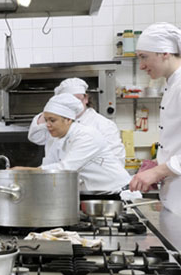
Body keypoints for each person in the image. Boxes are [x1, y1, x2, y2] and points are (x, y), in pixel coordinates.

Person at [14, 93, 130, 192]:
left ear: (68, 119)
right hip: (95, 193)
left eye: (52, 120)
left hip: (118, 193)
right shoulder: (57, 138)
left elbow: (65, 169)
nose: (47, 125)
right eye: (46, 120)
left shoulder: (86, 136)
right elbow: (48, 167)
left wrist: (25, 171)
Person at [128, 22, 181, 215]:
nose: (141, 65)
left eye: (144, 57)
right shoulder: (171, 86)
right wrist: (159, 163)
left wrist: (158, 172)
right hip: (174, 199)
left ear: (165, 53)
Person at [28, 77, 125, 163]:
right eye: (68, 100)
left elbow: (117, 159)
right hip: (58, 179)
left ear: (86, 98)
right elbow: (35, 137)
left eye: (77, 99)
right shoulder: (55, 122)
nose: (74, 104)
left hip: (90, 182)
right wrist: (52, 109)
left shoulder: (103, 124)